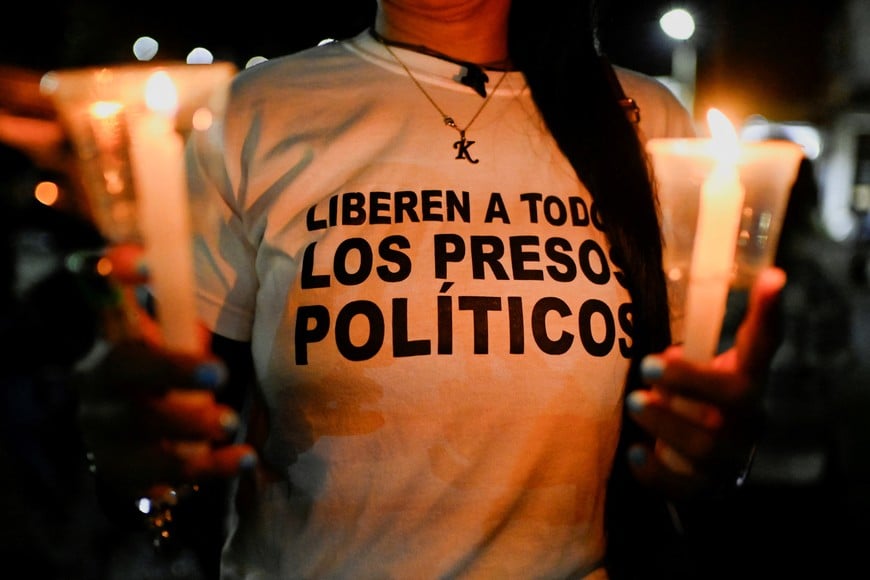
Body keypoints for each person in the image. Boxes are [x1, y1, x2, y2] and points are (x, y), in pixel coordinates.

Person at [30, 1, 785, 578]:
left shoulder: (646, 120)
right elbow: (185, 417)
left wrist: (714, 455)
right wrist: (140, 458)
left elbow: (691, 410)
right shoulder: (257, 109)